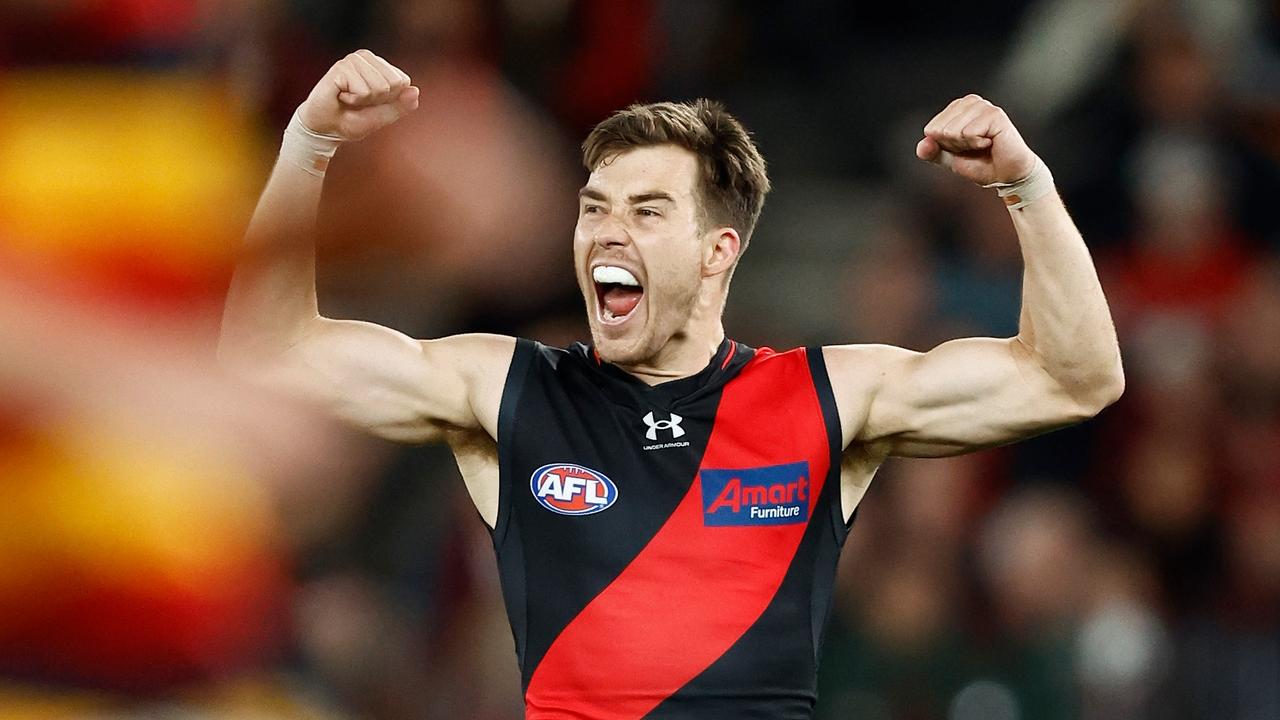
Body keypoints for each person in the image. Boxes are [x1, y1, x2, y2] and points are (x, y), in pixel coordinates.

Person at [220, 49, 1124, 719]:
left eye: (647, 212)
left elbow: (1075, 378)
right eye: (593, 211)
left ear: (717, 251)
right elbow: (268, 358)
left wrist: (1027, 188)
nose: (607, 235)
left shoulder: (825, 397)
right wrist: (310, 146)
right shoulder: (509, 391)